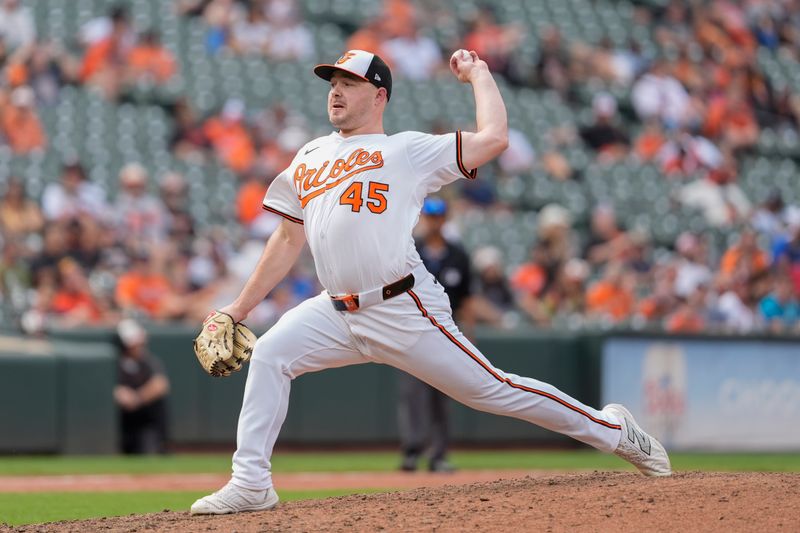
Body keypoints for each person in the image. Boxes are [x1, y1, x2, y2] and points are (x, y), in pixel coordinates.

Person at [190, 48, 671, 516]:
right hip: (333, 310)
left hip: (402, 305)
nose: (335, 92)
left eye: (348, 84)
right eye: (332, 84)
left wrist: (480, 75)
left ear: (379, 96)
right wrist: (237, 308)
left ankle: (614, 429)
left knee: (493, 390)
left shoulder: (405, 150)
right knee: (271, 356)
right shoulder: (310, 155)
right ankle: (251, 483)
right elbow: (287, 239)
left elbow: (495, 138)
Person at [397, 197, 469, 473]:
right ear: (423, 218)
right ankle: (412, 452)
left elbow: (467, 299)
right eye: (430, 215)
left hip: (447, 330)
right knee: (413, 395)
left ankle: (438, 455)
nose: (435, 220)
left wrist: (468, 335)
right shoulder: (411, 250)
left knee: (442, 393)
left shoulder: (458, 254)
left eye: (439, 215)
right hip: (412, 329)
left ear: (445, 218)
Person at [114, 319, 170, 454]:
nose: (139, 346)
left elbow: (161, 384)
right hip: (123, 421)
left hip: (146, 419)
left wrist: (137, 398)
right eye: (134, 344)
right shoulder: (115, 362)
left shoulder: (148, 362)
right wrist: (118, 393)